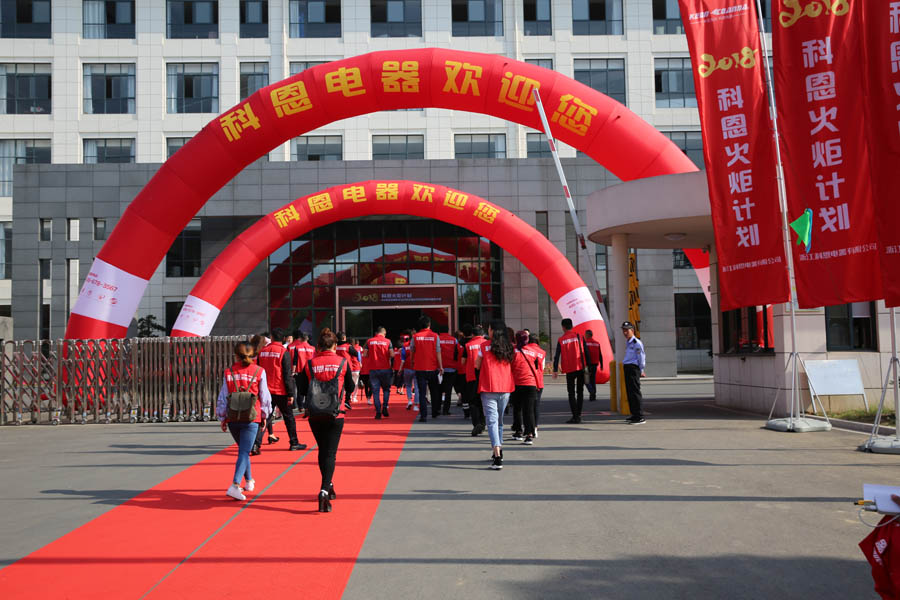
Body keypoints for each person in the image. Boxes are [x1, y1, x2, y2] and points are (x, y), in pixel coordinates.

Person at [303, 328, 354, 512]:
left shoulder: (310, 364)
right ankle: (324, 490)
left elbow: (302, 387)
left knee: (322, 450)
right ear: (335, 345)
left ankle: (328, 484)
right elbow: (351, 385)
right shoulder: (342, 362)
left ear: (318, 346)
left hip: (315, 413)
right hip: (336, 413)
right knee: (330, 453)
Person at [216, 341, 272, 501]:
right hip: (251, 417)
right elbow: (265, 396)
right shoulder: (259, 371)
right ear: (253, 354)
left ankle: (249, 480)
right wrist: (265, 415)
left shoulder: (229, 372)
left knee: (243, 449)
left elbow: (223, 396)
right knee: (244, 451)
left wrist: (222, 416)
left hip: (233, 417)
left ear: (236, 355)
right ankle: (235, 484)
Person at [256, 328, 306, 452]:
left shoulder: (262, 352)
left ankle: (256, 444)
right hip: (280, 390)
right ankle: (294, 442)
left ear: (272, 337)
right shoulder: (284, 352)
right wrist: (290, 393)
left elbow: (258, 370)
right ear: (283, 339)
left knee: (265, 417)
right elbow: (286, 374)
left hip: (265, 391)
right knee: (289, 417)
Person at [474, 320, 515, 470]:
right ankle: (498, 450)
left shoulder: (484, 346)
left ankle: (497, 455)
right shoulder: (510, 346)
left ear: (493, 331)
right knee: (499, 421)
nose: (488, 331)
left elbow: (476, 365)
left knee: (492, 422)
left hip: (488, 387)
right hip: (505, 387)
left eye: (489, 329)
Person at [553, 318, 588, 424]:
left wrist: (555, 369)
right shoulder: (580, 336)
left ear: (563, 327)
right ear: (572, 326)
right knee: (580, 392)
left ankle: (575, 416)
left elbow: (557, 355)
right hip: (580, 367)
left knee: (571, 393)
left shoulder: (561, 339)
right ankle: (579, 414)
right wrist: (589, 366)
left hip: (569, 369)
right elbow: (586, 351)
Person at [410, 315, 443, 422]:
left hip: (420, 368)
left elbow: (412, 351)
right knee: (434, 391)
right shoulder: (435, 336)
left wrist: (412, 361)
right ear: (429, 324)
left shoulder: (415, 337)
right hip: (432, 368)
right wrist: (441, 366)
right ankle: (434, 412)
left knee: (422, 392)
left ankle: (423, 415)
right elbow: (438, 352)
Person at [511, 330, 540, 445]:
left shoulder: (512, 351)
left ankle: (518, 431)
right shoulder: (533, 351)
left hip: (516, 383)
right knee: (529, 410)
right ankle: (529, 435)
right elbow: (536, 367)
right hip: (530, 383)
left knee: (517, 408)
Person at [249, 333, 276, 447]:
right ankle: (258, 440)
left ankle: (271, 433)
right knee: (265, 412)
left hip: (250, 384)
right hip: (261, 382)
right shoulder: (262, 353)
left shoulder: (249, 353)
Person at [461, 324, 487, 435]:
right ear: (482, 334)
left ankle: (476, 424)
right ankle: (483, 423)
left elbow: (462, 362)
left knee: (473, 401)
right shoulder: (487, 344)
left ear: (472, 334)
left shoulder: (468, 345)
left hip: (471, 377)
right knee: (484, 401)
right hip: (485, 377)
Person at [365, 326, 394, 419]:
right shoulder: (388, 341)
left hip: (373, 369)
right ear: (384, 333)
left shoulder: (369, 341)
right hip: (386, 368)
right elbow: (392, 354)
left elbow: (365, 354)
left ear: (376, 333)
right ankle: (385, 406)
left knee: (375, 391)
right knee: (386, 389)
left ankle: (378, 412)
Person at [621, 321, 646, 424]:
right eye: (623, 330)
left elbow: (641, 357)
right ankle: (634, 414)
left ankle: (639, 416)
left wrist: (641, 369)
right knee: (630, 392)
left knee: (635, 392)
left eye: (627, 330)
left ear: (632, 330)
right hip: (628, 368)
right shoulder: (629, 342)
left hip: (633, 368)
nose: (625, 332)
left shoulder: (636, 343)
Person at [522, 333, 546, 436]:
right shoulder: (542, 352)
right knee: (536, 405)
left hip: (527, 380)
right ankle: (535, 427)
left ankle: (527, 428)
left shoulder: (525, 350)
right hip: (538, 381)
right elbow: (542, 367)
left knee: (527, 406)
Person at [437, 323, 460, 416]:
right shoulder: (454, 340)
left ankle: (437, 408)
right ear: (448, 331)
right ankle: (446, 410)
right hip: (452, 368)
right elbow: (457, 352)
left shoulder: (437, 339)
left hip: (439, 368)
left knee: (438, 389)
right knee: (448, 390)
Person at [289, 331, 315, 411]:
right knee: (309, 388)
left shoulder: (297, 348)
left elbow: (295, 360)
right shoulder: (312, 348)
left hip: (300, 371)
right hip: (310, 371)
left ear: (300, 338)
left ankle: (300, 406)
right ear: (307, 339)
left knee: (300, 389)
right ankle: (307, 405)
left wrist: (293, 371)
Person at [336, 332, 361, 405]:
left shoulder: (334, 346)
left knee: (339, 384)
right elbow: (357, 354)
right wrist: (359, 361)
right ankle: (347, 400)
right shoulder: (348, 346)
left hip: (336, 367)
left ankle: (339, 400)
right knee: (349, 384)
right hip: (347, 368)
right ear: (344, 338)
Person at [584, 329, 604, 402]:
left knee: (586, 380)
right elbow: (600, 354)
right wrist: (601, 364)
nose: (585, 336)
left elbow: (585, 354)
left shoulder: (585, 343)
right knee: (593, 380)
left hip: (587, 365)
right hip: (595, 364)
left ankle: (591, 391)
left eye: (585, 334)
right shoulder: (597, 343)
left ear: (587, 335)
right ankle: (593, 396)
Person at [400, 332, 417, 410]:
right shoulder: (418, 345)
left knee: (408, 385)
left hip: (407, 368)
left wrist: (400, 369)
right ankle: (416, 404)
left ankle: (409, 401)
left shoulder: (405, 346)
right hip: (416, 367)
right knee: (416, 386)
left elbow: (403, 359)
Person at [356, 339, 373, 405]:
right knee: (367, 386)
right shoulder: (360, 353)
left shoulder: (370, 353)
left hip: (369, 371)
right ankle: (368, 398)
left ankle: (368, 397)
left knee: (370, 386)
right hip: (364, 371)